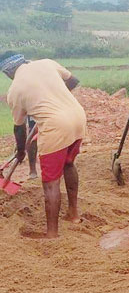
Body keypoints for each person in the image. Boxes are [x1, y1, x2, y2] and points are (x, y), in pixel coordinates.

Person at [1, 52, 87, 238]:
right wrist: (56, 100)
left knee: (50, 182)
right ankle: (73, 214)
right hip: (78, 117)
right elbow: (73, 81)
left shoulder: (15, 90)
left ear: (7, 71)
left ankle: (52, 234)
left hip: (55, 126)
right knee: (68, 164)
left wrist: (21, 150)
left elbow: (19, 128)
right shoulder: (46, 63)